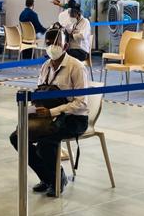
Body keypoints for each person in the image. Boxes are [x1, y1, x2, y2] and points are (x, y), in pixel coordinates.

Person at [9, 27, 88, 197]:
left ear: (65, 46)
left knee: (46, 142)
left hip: (73, 119)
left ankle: (56, 179)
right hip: (47, 117)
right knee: (17, 137)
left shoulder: (76, 67)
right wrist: (35, 107)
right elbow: (40, 91)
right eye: (49, 43)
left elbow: (81, 103)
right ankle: (48, 177)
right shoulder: (45, 66)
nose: (52, 47)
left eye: (56, 43)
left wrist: (52, 112)